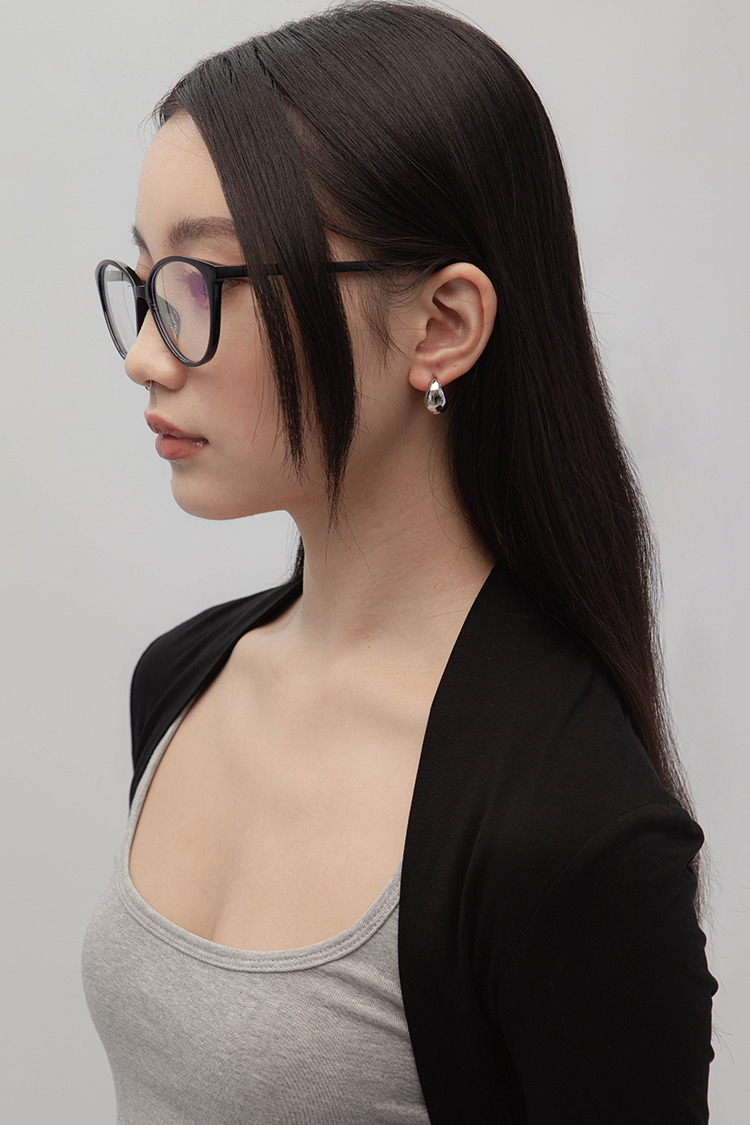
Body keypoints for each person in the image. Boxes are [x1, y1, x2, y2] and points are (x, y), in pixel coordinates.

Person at [82, 2, 718, 1121]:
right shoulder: (180, 682)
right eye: (144, 283)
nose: (144, 354)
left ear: (441, 325)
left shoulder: (573, 828)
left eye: (201, 283)